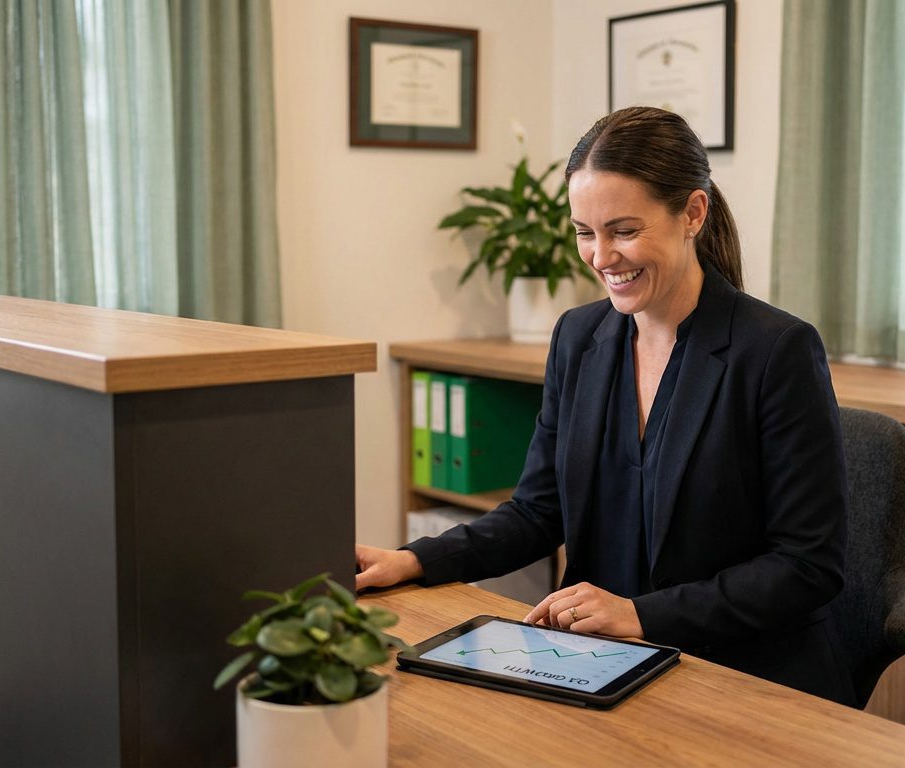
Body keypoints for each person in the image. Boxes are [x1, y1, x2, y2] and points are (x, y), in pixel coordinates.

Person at [356, 106, 854, 705]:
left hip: (738, 671)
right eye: (584, 232)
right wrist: (412, 560)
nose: (599, 257)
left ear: (693, 213)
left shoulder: (776, 350)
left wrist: (641, 615)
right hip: (599, 662)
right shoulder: (579, 337)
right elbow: (538, 512)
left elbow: (807, 566)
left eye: (623, 230)